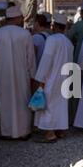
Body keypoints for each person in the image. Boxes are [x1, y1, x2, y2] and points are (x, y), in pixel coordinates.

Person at [0, 6, 37, 140]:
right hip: (22, 74)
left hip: (2, 74)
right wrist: (33, 76)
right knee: (22, 101)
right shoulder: (25, 34)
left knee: (5, 102)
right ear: (17, 18)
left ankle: (7, 132)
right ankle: (23, 132)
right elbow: (31, 58)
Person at [34, 14, 74, 143]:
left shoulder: (52, 40)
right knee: (61, 104)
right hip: (65, 77)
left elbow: (46, 60)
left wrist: (40, 79)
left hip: (52, 77)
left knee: (49, 105)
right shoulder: (68, 42)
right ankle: (60, 130)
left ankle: (50, 133)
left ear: (53, 26)